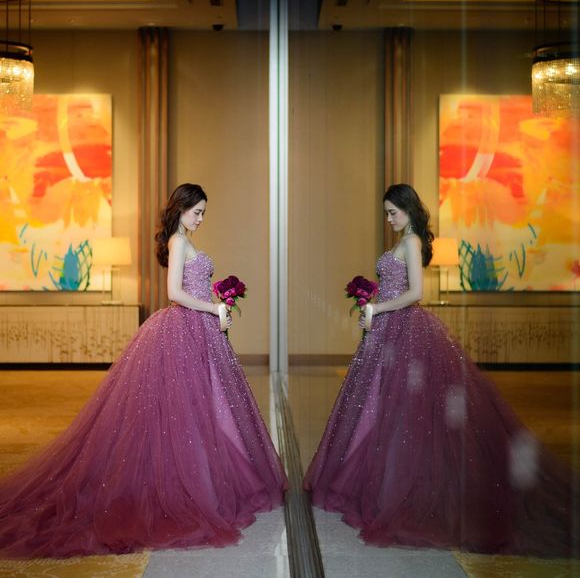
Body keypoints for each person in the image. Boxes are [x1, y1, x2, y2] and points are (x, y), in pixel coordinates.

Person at [0, 183, 287, 559]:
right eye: (196, 212)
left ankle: (207, 480)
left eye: (204, 213)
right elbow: (175, 293)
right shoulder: (178, 241)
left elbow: (192, 288)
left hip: (198, 329)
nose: (201, 219)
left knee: (204, 408)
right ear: (181, 209)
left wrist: (217, 306)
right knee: (188, 410)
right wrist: (213, 307)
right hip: (185, 327)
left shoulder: (185, 239)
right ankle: (193, 486)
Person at [304, 183, 578, 557]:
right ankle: (379, 485)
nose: (389, 219)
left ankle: (397, 490)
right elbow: (396, 287)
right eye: (386, 213)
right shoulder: (404, 241)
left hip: (404, 328)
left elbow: (416, 293)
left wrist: (376, 308)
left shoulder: (412, 241)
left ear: (408, 209)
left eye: (393, 212)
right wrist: (373, 307)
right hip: (388, 329)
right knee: (380, 409)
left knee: (403, 414)